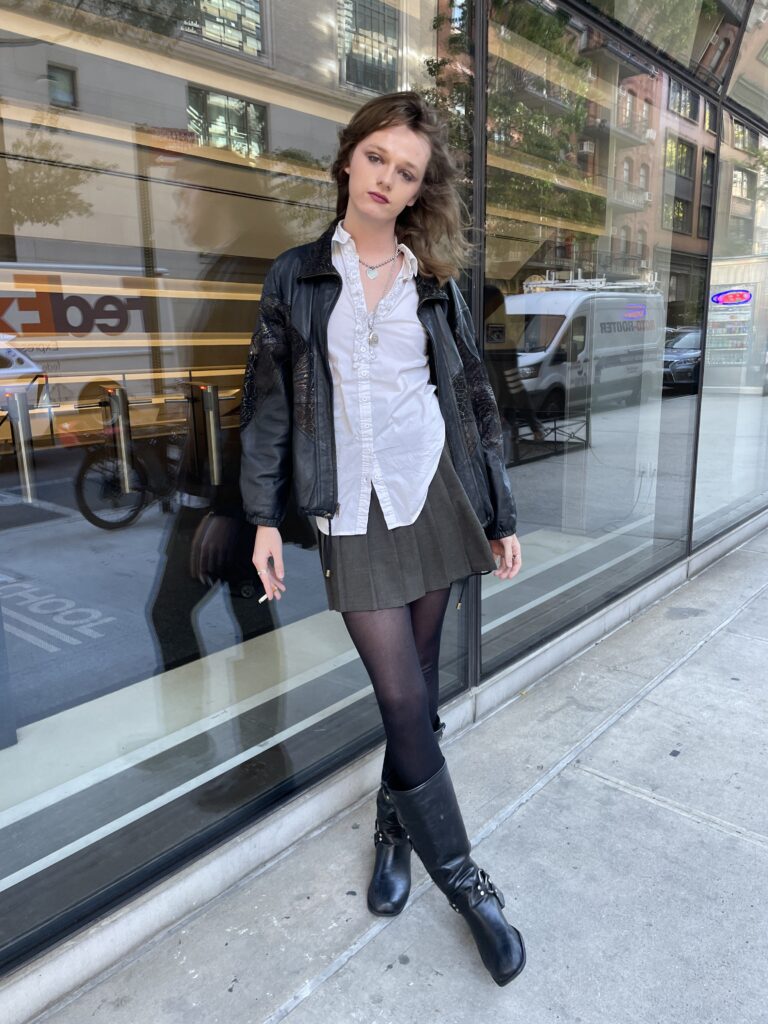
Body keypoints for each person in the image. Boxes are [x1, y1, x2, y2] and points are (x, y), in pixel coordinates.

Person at [240, 92, 526, 986]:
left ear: (415, 194)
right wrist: (260, 517)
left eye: (405, 172)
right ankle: (468, 884)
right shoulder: (294, 276)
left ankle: (392, 833)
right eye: (376, 159)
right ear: (349, 160)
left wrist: (500, 512)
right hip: (348, 514)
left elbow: (473, 400)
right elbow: (269, 408)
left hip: (432, 495)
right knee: (403, 703)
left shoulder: (432, 285)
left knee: (421, 700)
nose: (386, 179)